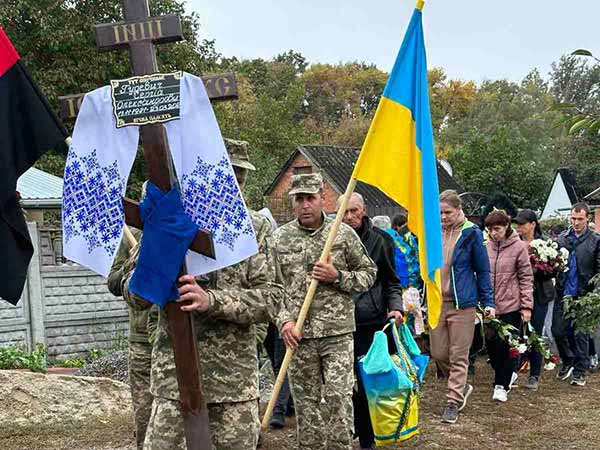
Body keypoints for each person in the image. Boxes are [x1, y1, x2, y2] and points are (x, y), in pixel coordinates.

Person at [124, 139, 285, 450]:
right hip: (173, 384)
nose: (233, 182)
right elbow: (134, 295)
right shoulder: (171, 222)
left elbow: (273, 298)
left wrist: (212, 301)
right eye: (226, 172)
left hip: (232, 385)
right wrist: (159, 274)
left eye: (239, 176)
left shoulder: (255, 228)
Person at [275, 174, 377, 450]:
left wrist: (337, 276)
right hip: (299, 336)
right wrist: (284, 321)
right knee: (306, 404)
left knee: (338, 398)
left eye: (310, 198)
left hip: (337, 333)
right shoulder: (279, 238)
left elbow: (369, 274)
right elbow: (273, 288)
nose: (305, 205)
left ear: (323, 199)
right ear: (293, 203)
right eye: (299, 199)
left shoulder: (342, 234)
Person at [338, 192, 403, 450]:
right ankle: (348, 429)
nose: (350, 216)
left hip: (370, 324)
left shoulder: (381, 240)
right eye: (344, 211)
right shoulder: (329, 240)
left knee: (366, 384)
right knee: (342, 384)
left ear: (363, 210)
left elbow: (391, 281)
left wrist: (395, 308)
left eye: (354, 211)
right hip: (338, 324)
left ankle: (367, 439)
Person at [430, 190, 494, 424]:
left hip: (462, 303)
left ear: (458, 210)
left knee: (459, 354)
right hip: (437, 302)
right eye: (440, 213)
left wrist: (488, 302)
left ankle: (453, 401)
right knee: (437, 352)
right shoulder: (434, 232)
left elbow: (483, 269)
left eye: (447, 212)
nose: (443, 217)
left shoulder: (471, 233)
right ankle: (462, 384)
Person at [108, 183, 158, 450]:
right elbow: (114, 282)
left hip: (176, 337)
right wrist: (135, 261)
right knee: (145, 413)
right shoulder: (131, 236)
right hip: (142, 342)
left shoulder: (178, 232)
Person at [485, 210, 533, 402]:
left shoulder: (519, 247)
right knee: (491, 347)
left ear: (506, 227)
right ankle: (507, 372)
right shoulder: (486, 247)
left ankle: (501, 385)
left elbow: (526, 277)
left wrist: (526, 306)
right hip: (490, 307)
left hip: (511, 305)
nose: (493, 233)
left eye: (497, 229)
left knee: (506, 347)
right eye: (489, 229)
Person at [552, 202, 600, 387]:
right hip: (563, 292)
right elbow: (553, 265)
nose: (576, 222)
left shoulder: (595, 240)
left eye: (580, 219)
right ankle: (569, 360)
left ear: (587, 218)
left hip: (584, 293)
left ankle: (580, 372)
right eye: (573, 218)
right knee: (558, 330)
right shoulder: (562, 239)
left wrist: (594, 293)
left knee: (581, 335)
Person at [515, 209, 556, 390]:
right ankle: (515, 370)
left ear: (532, 224)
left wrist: (539, 268)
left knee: (535, 334)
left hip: (539, 294)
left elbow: (553, 269)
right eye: (517, 224)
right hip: (518, 295)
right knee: (517, 333)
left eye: (522, 224)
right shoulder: (514, 243)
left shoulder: (545, 244)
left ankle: (534, 374)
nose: (519, 228)